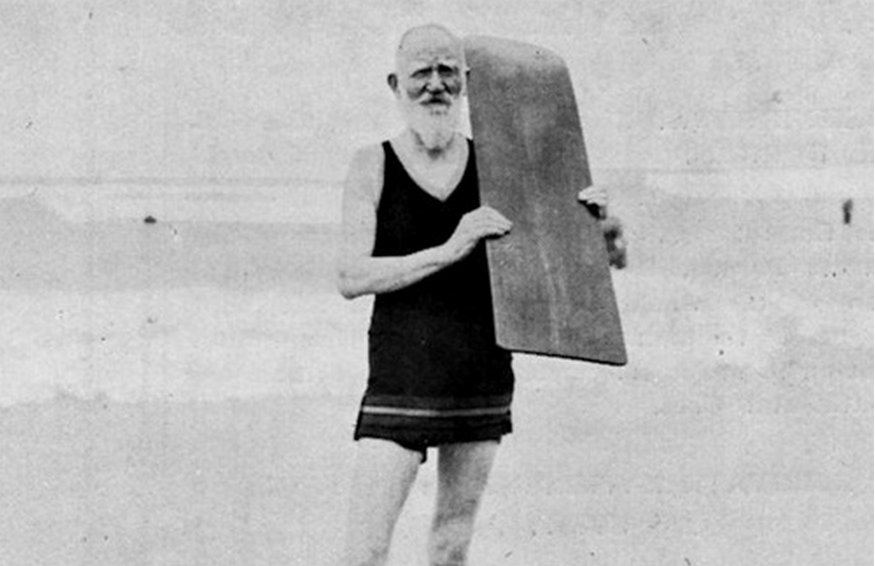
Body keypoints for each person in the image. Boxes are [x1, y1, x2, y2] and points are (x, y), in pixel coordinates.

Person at [336, 24, 607, 566]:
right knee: (363, 551)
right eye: (421, 73)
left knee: (452, 544)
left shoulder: (504, 167)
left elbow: (562, 269)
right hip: (399, 379)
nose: (435, 85)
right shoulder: (371, 165)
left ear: (466, 81)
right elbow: (351, 277)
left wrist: (589, 223)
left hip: (478, 374)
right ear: (395, 83)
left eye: (447, 72)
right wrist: (451, 246)